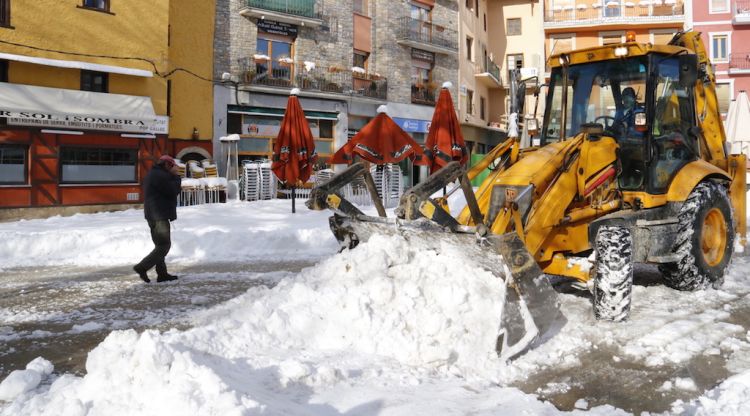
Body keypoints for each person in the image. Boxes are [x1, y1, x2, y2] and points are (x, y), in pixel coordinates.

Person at [133, 154, 182, 283]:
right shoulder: (161, 175)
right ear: (167, 165)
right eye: (172, 166)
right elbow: (173, 190)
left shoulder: (154, 174)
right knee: (164, 245)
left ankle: (162, 274)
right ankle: (142, 267)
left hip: (153, 215)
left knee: (159, 245)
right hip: (159, 215)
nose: (174, 168)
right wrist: (177, 177)